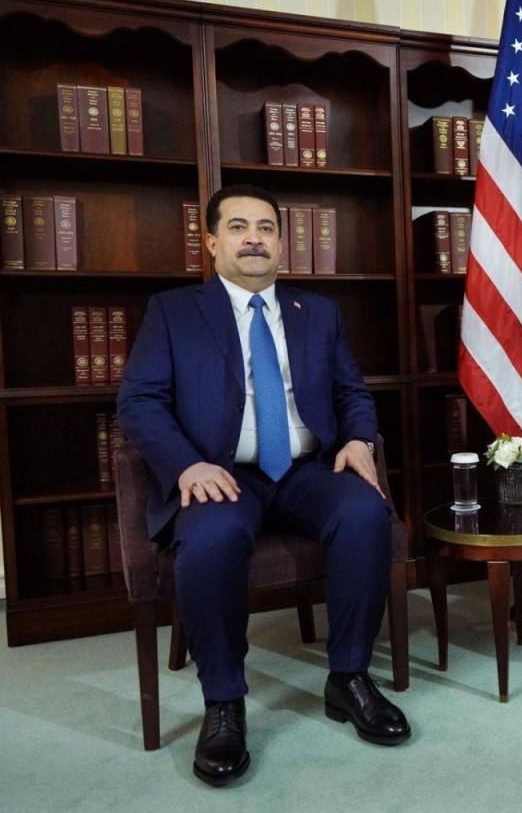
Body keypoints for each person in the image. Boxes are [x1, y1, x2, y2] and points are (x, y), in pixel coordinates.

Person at [117, 184, 410, 787]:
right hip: (220, 472)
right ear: (211, 242)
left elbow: (352, 392)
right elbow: (139, 402)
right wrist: (186, 466)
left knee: (365, 513)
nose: (254, 238)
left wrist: (358, 439)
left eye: (266, 228)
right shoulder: (174, 312)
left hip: (306, 469)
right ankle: (224, 703)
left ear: (280, 242)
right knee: (212, 537)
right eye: (238, 227)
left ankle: (349, 677)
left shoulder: (317, 312)